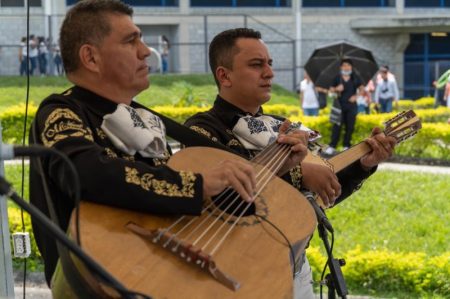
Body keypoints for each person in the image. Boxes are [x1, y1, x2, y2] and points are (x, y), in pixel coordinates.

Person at [29, 1, 310, 289]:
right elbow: (85, 172)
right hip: (97, 282)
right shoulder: (63, 112)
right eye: (131, 40)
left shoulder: (143, 119)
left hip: (158, 275)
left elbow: (166, 202)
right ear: (91, 57)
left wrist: (271, 169)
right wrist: (197, 185)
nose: (146, 50)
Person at [184, 28, 396, 299]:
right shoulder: (201, 131)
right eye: (256, 65)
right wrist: (298, 170)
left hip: (297, 270)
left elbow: (319, 196)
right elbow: (216, 204)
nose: (269, 73)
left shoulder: (281, 126)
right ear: (224, 75)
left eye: (269, 64)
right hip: (235, 278)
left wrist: (363, 165)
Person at [325, 59, 364, 155]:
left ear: (351, 67)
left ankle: (346, 145)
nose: (346, 67)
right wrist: (336, 89)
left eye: (348, 65)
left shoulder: (355, 77)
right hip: (339, 105)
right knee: (337, 126)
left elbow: (362, 89)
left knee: (350, 126)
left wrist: (356, 96)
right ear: (341, 67)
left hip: (351, 106)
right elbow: (330, 90)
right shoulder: (337, 78)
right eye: (344, 65)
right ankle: (332, 146)